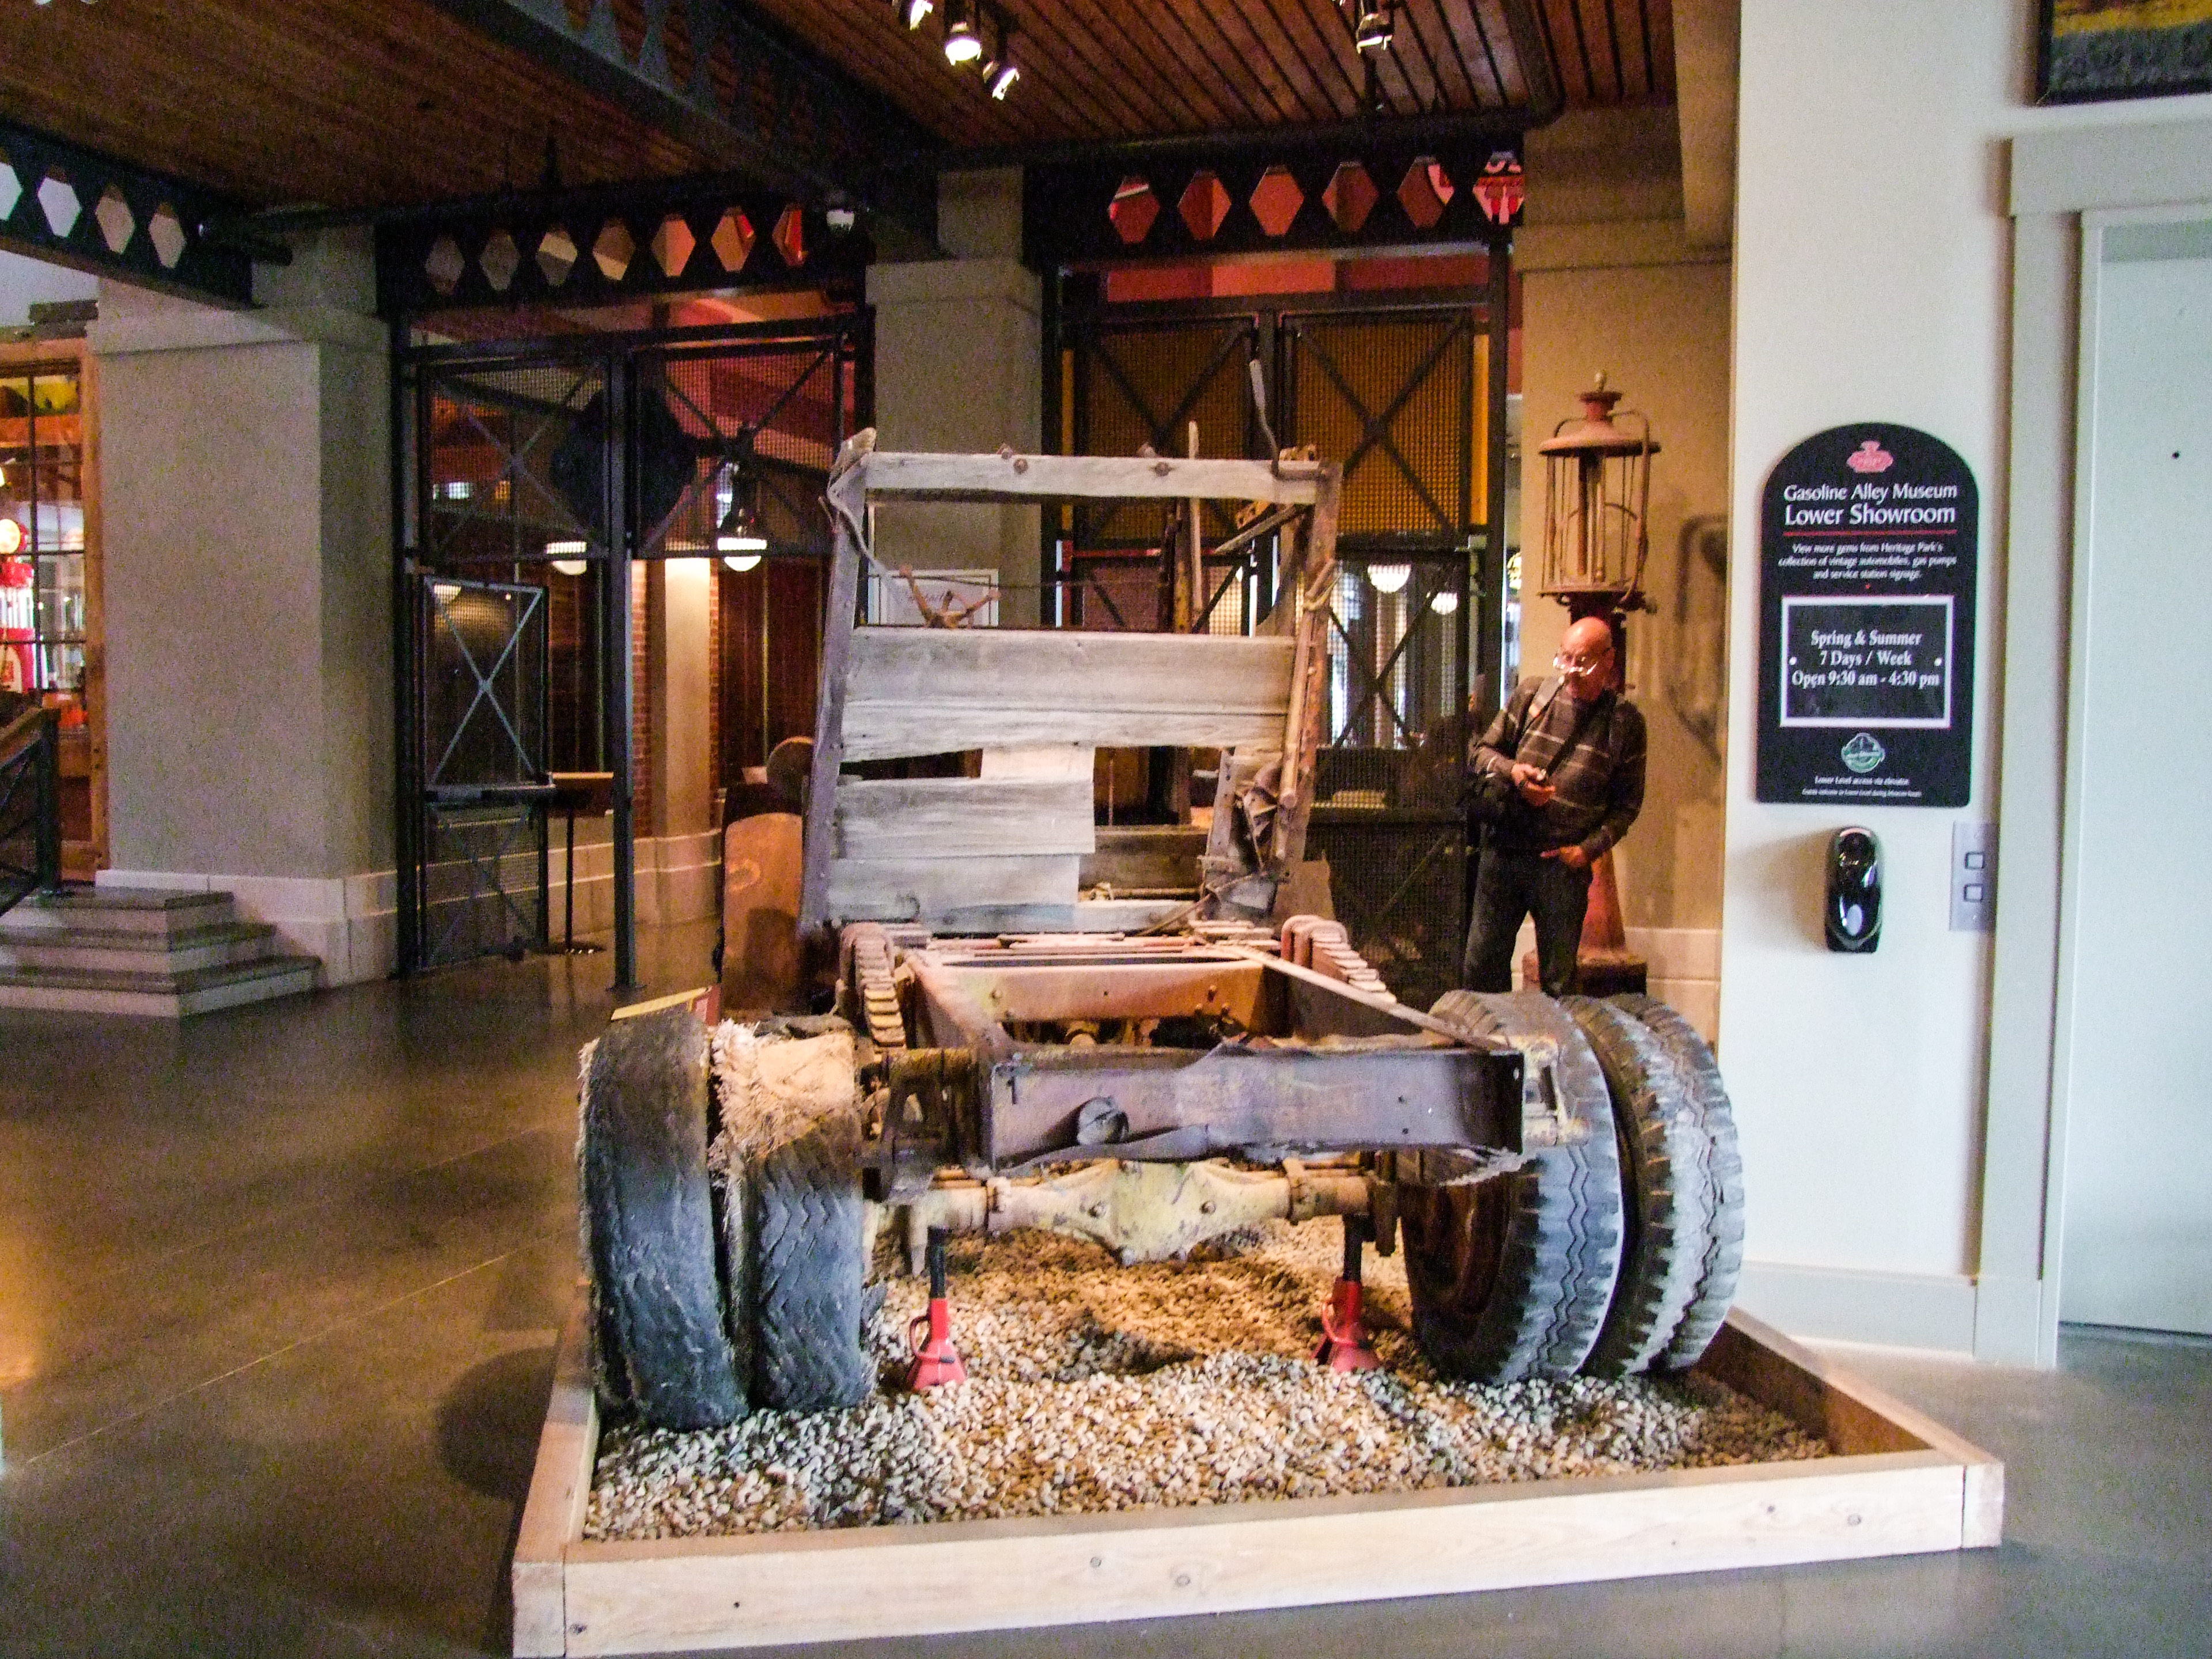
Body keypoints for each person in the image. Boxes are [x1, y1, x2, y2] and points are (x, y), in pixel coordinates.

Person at [1463, 614, 1646, 995]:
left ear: (1609, 660)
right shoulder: (1533, 694)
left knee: (1558, 981)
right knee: (1481, 967)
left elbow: (1627, 805)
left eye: (1583, 661)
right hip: (1505, 851)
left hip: (1561, 866)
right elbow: (1480, 753)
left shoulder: (1624, 723)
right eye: (1565, 658)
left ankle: (1549, 1036)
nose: (1571, 671)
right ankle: (1490, 1034)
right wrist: (1516, 773)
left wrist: (1586, 851)